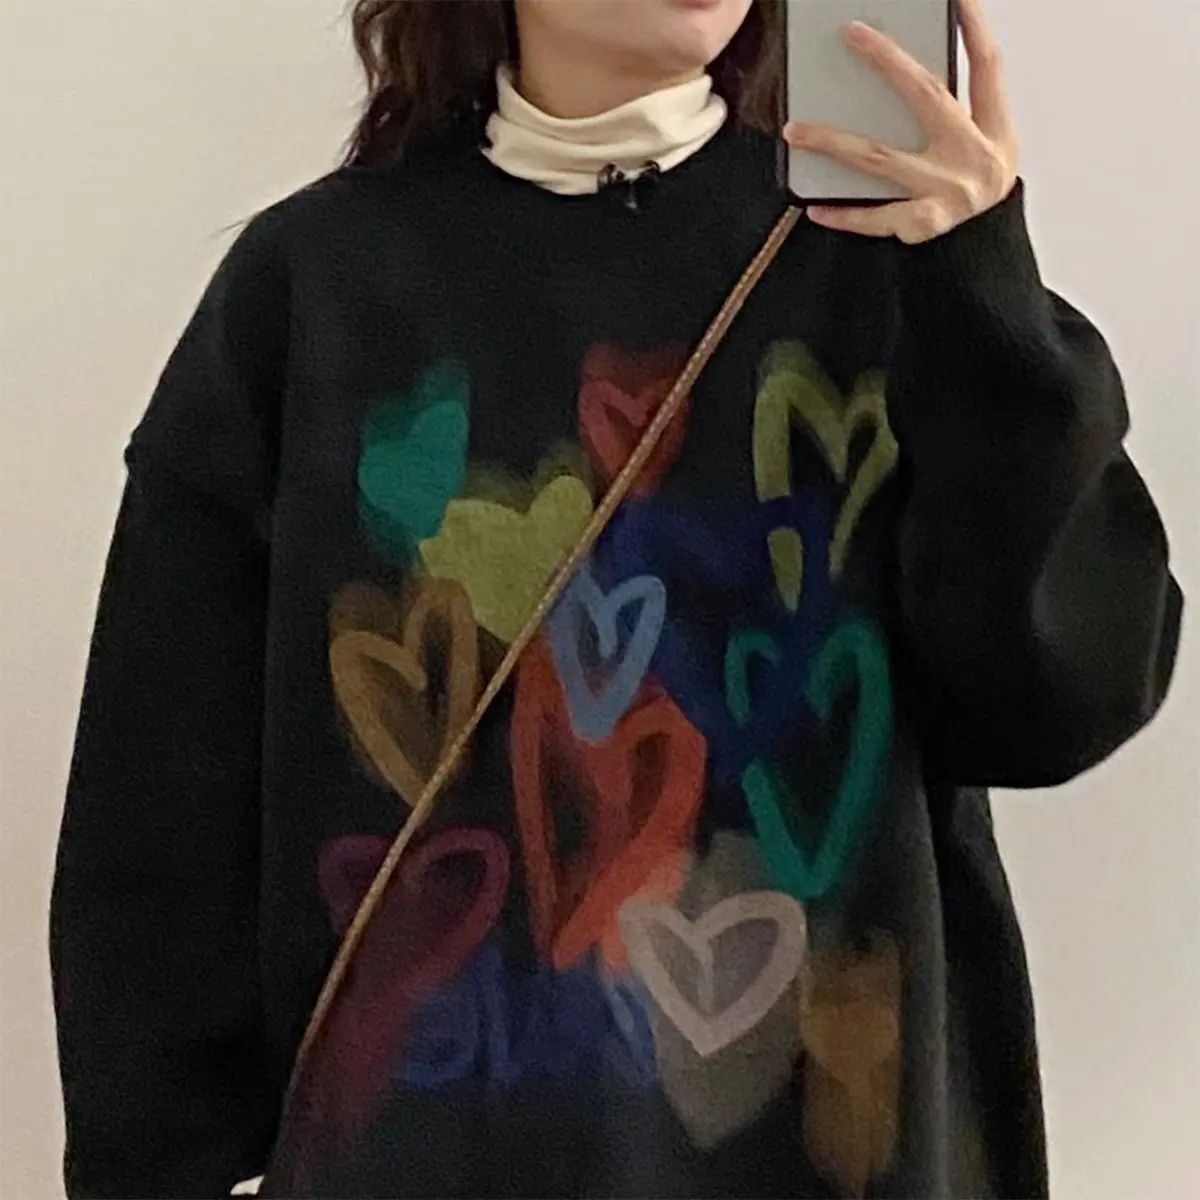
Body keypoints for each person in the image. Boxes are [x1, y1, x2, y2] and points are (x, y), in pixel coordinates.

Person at [51, 0, 1183, 1196]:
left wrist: (985, 283)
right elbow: (159, 820)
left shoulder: (890, 261)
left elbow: (1068, 701)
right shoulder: (308, 294)